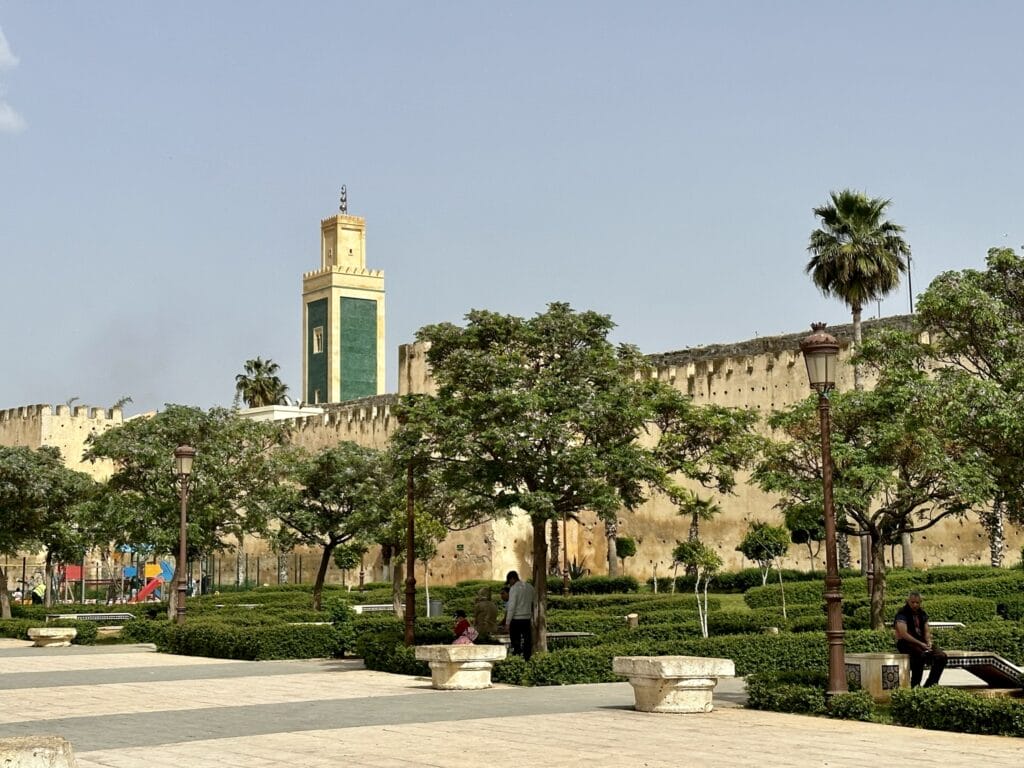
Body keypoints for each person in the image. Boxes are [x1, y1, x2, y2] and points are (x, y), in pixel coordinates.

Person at [894, 591, 948, 688]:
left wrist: (928, 641)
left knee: (941, 656)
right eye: (912, 602)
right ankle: (915, 685)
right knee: (919, 656)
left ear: (920, 602)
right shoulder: (902, 613)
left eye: (917, 603)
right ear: (908, 601)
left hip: (921, 643)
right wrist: (920, 643)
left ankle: (930, 684)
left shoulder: (922, 614)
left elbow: (926, 631)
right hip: (906, 643)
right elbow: (903, 634)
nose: (915, 605)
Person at [503, 570, 537, 660]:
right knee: (527, 642)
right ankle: (527, 659)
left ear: (512, 579)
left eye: (509, 582)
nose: (510, 584)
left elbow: (511, 607)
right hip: (527, 619)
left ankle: (517, 660)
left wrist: (507, 623)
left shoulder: (514, 589)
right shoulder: (529, 587)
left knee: (516, 643)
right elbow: (534, 602)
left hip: (516, 620)